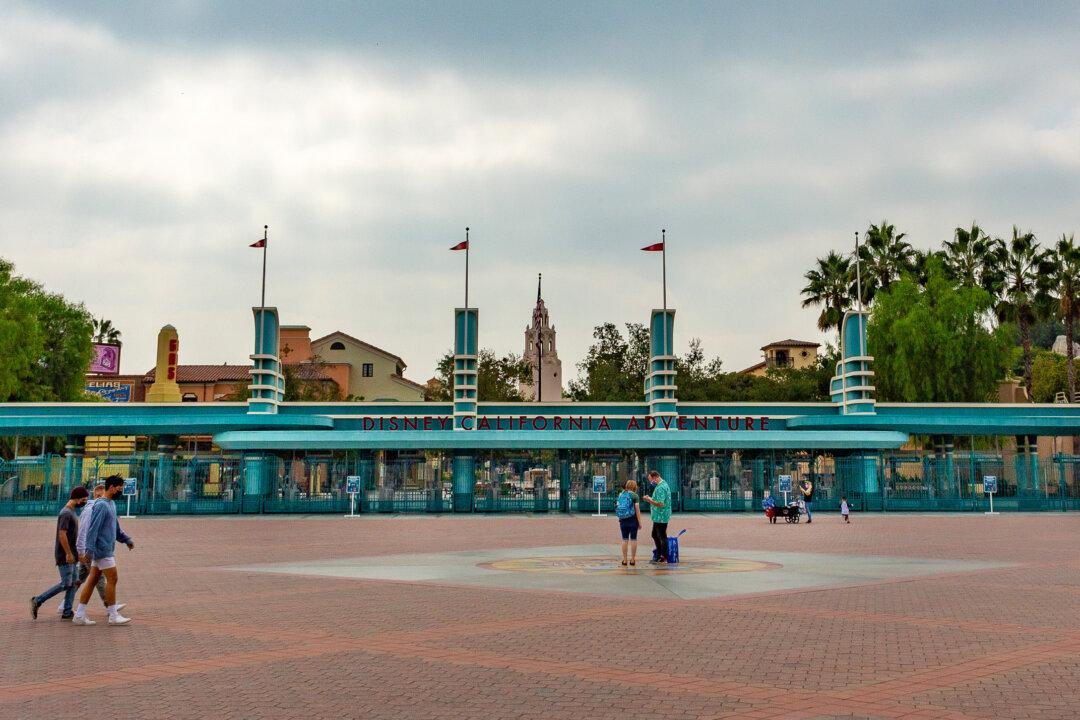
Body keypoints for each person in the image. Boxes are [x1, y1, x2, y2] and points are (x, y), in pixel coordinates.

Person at [73, 476, 134, 626]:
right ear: (111, 487)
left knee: (92, 580)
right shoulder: (101, 505)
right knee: (113, 578)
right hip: (102, 550)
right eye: (119, 487)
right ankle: (113, 615)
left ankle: (79, 614)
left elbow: (116, 528)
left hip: (103, 549)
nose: (121, 490)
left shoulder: (111, 504)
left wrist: (126, 539)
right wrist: (89, 550)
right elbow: (93, 529)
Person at [30, 486, 89, 620]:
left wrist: (77, 554)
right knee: (66, 584)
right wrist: (68, 553)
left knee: (73, 583)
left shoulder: (72, 511)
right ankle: (38, 600)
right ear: (78, 498)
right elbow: (62, 534)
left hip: (72, 554)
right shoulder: (66, 513)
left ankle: (67, 612)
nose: (85, 502)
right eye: (84, 499)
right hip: (65, 555)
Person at [642, 470, 671, 563]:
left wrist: (648, 499)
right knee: (656, 534)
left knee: (661, 536)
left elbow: (660, 503)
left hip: (661, 516)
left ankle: (662, 555)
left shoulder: (661, 488)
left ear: (655, 477)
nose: (651, 482)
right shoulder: (663, 485)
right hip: (660, 516)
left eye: (651, 479)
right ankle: (660, 554)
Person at [614, 480, 644, 566]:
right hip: (633, 519)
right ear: (635, 487)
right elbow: (637, 510)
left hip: (623, 519)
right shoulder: (635, 496)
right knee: (633, 539)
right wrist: (640, 522)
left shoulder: (621, 494)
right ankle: (633, 559)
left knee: (624, 539)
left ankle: (624, 560)